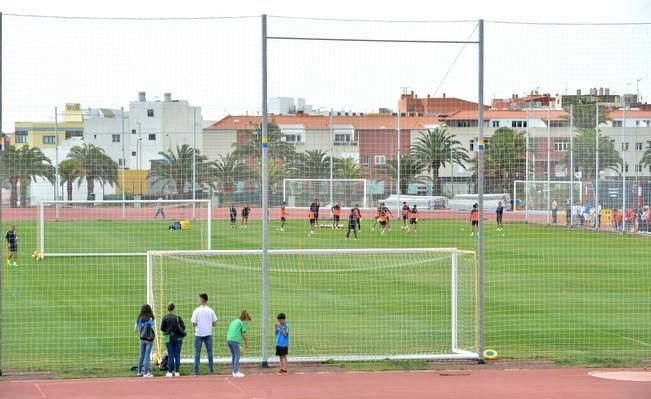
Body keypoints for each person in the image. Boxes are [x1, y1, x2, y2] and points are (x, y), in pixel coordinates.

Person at [191, 293, 217, 375]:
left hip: (198, 334)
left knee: (197, 352)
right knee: (209, 352)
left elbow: (193, 323)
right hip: (208, 333)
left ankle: (196, 371)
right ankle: (211, 370)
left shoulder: (196, 310)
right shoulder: (211, 310)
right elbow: (215, 323)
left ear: (202, 299)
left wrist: (198, 326)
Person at [160, 302, 186, 377]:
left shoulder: (165, 317)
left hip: (168, 337)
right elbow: (183, 327)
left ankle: (170, 372)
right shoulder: (178, 317)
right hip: (178, 337)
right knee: (177, 355)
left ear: (167, 309)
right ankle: (177, 371)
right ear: (174, 309)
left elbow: (162, 329)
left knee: (170, 354)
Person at [227, 310, 251, 378]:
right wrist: (246, 344)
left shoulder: (234, 321)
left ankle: (234, 371)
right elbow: (244, 334)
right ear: (245, 318)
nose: (247, 322)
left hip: (229, 339)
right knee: (237, 355)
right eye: (247, 320)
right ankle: (236, 372)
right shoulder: (242, 323)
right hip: (235, 340)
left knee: (234, 355)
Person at [134, 304, 155, 378]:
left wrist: (142, 327)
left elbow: (135, 330)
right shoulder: (150, 318)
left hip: (142, 338)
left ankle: (139, 371)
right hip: (149, 339)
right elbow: (152, 327)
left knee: (141, 355)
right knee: (147, 355)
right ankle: (146, 372)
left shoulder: (139, 318)